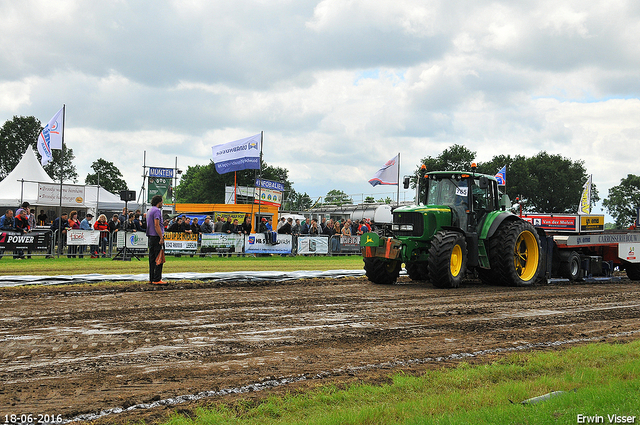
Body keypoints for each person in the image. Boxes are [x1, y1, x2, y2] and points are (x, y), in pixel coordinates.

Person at [146, 195, 166, 285]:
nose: (162, 203)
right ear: (159, 202)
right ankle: (157, 279)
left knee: (152, 258)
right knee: (159, 258)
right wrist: (161, 237)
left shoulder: (150, 210)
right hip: (157, 237)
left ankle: (151, 278)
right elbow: (156, 225)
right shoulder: (157, 211)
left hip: (150, 236)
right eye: (162, 202)